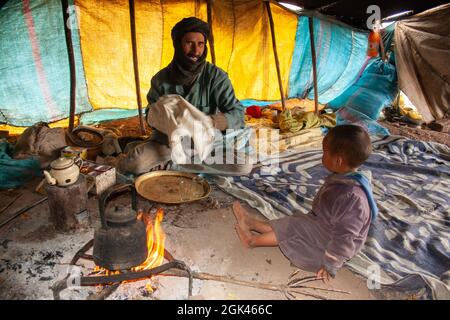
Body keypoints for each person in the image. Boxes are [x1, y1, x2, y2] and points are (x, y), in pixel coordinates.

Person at [232, 125, 378, 282]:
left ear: (338, 160)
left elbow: (345, 237)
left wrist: (330, 264)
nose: (322, 156)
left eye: (324, 152)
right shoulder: (347, 177)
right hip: (323, 224)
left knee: (293, 228)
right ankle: (251, 223)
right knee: (295, 221)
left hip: (328, 244)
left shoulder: (353, 200)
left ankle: (251, 241)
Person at [119, 17, 251, 176]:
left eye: (200, 44)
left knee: (243, 165)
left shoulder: (216, 77)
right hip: (168, 143)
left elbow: (238, 114)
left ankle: (171, 166)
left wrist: (210, 121)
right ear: (178, 45)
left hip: (207, 143)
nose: (196, 51)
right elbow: (150, 117)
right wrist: (166, 118)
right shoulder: (161, 79)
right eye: (190, 43)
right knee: (136, 164)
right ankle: (168, 158)